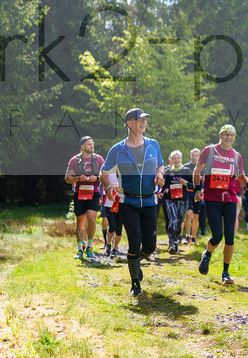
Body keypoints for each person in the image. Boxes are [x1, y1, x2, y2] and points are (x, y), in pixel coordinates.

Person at [101, 109, 164, 296]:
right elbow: (104, 173)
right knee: (134, 242)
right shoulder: (118, 149)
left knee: (150, 246)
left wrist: (160, 174)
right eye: (139, 120)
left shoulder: (153, 145)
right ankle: (135, 283)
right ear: (129, 123)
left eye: (145, 119)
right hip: (128, 202)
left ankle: (135, 263)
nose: (144, 122)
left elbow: (160, 164)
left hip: (150, 202)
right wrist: (108, 188)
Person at [195, 124, 248, 285]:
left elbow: (241, 176)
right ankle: (208, 253)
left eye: (231, 135)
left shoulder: (237, 156)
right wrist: (197, 189)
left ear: (234, 138)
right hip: (212, 199)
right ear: (220, 135)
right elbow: (197, 171)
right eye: (226, 134)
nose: (229, 137)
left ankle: (225, 272)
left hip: (230, 199)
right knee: (217, 236)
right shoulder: (209, 151)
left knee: (230, 236)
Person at [65, 136, 105, 261]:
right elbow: (67, 178)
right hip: (79, 193)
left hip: (94, 193)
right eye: (89, 144)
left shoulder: (98, 159)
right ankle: (79, 248)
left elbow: (105, 175)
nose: (92, 146)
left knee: (92, 219)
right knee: (80, 222)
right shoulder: (74, 160)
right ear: (82, 146)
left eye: (92, 144)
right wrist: (78, 178)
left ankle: (90, 246)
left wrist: (97, 179)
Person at [162, 150, 191, 254]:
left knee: (179, 221)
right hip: (170, 199)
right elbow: (164, 185)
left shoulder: (187, 170)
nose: (176, 160)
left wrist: (186, 183)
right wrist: (163, 190)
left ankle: (177, 239)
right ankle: (172, 243)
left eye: (178, 158)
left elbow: (193, 185)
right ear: (171, 160)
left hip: (183, 199)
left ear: (181, 159)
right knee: (172, 220)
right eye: (174, 158)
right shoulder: (168, 171)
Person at [182, 148, 202, 245]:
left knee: (195, 216)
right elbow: (183, 182)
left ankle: (194, 236)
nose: (194, 157)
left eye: (196, 155)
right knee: (188, 214)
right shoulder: (185, 167)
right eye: (193, 155)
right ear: (190, 156)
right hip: (187, 194)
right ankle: (187, 235)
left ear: (199, 157)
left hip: (197, 194)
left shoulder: (202, 167)